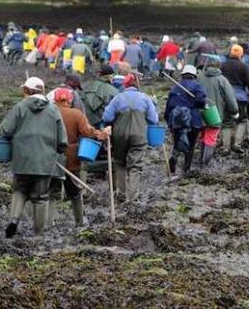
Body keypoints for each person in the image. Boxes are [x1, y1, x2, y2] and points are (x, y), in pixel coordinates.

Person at [1, 77, 67, 237]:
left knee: (19, 190)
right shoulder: (53, 109)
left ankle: (14, 220)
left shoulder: (20, 107)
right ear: (42, 91)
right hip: (44, 162)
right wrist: (56, 149)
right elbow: (62, 140)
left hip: (22, 160)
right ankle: (38, 234)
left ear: (26, 91)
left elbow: (5, 129)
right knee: (41, 198)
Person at [52, 88, 108, 226]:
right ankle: (80, 221)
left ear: (55, 100)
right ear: (70, 100)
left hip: (50, 156)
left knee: (51, 191)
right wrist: (101, 134)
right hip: (71, 157)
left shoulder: (48, 114)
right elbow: (87, 132)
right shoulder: (76, 114)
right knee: (75, 192)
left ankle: (49, 222)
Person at [101, 73, 159, 201]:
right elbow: (154, 119)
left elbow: (106, 117)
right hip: (138, 135)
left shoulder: (117, 98)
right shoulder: (145, 98)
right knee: (135, 167)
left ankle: (121, 194)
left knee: (120, 163)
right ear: (137, 84)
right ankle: (133, 198)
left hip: (119, 135)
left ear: (125, 85)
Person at [163, 66, 207, 174]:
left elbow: (169, 105)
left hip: (177, 120)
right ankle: (186, 169)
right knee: (191, 145)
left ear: (183, 75)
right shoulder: (197, 86)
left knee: (177, 142)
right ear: (194, 76)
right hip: (193, 120)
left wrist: (168, 120)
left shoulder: (175, 87)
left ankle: (173, 161)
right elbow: (202, 101)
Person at [197, 55, 238, 167]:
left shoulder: (200, 77)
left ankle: (201, 161)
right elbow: (230, 98)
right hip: (214, 114)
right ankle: (205, 164)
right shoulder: (222, 80)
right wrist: (234, 111)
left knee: (204, 136)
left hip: (200, 113)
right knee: (211, 137)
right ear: (219, 65)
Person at [221, 44, 249, 153]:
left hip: (226, 97)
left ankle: (226, 147)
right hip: (240, 98)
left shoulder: (223, 66)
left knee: (226, 122)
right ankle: (237, 144)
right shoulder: (244, 67)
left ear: (230, 53)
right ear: (241, 54)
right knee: (242, 120)